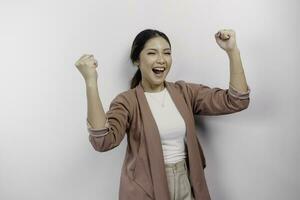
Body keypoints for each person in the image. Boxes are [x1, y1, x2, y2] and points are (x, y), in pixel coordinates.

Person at [75, 29, 250, 200]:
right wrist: (91, 82)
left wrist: (232, 51)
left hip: (187, 181)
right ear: (137, 60)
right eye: (152, 53)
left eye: (167, 53)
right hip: (147, 188)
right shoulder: (127, 101)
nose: (161, 60)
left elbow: (236, 100)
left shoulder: (184, 92)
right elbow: (103, 141)